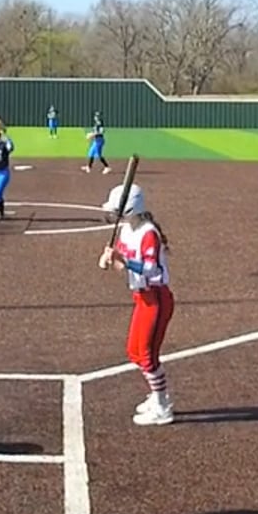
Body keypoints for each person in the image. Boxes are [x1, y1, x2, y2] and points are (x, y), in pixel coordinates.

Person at [99, 181, 175, 426]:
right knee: (134, 351)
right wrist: (110, 258)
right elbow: (121, 257)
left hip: (156, 299)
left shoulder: (148, 233)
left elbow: (152, 270)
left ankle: (162, 406)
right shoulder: (127, 230)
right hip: (141, 299)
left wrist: (123, 262)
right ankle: (156, 395)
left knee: (146, 354)